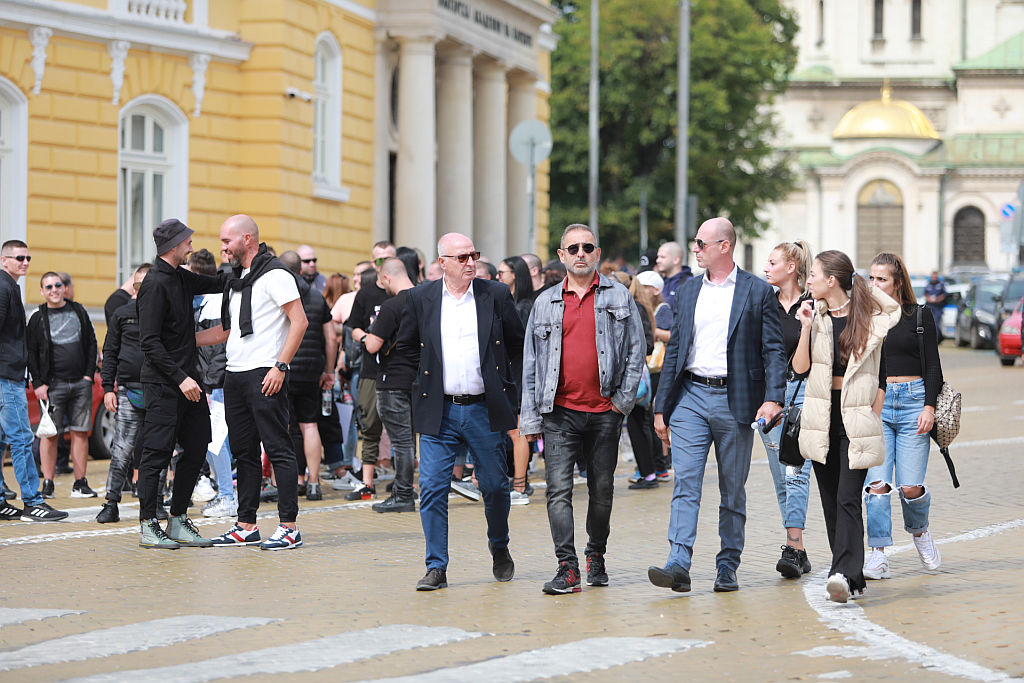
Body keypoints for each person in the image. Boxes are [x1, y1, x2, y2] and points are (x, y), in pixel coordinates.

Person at [647, 217, 786, 594]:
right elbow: (676, 350)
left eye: (701, 243)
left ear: (724, 246)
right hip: (690, 396)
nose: (695, 249)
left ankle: (728, 565)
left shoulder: (757, 292)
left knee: (732, 488)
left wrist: (773, 399)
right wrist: (662, 407)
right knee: (686, 481)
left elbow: (774, 350)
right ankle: (678, 562)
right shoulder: (690, 291)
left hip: (736, 401)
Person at [396, 232, 525, 591]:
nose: (471, 262)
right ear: (443, 263)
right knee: (433, 487)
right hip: (439, 410)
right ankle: (436, 566)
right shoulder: (421, 297)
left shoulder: (494, 294)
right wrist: (417, 389)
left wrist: (511, 393)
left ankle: (499, 545)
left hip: (483, 409)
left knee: (496, 487)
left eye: (474, 255)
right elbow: (405, 347)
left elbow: (517, 345)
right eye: (463, 257)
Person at [521, 224, 645, 594]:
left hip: (605, 411)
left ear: (597, 254)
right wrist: (529, 417)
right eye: (572, 248)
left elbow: (636, 352)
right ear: (561, 255)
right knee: (557, 491)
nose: (580, 253)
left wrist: (621, 403)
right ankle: (567, 567)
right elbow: (530, 363)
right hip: (558, 411)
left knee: (602, 489)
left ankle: (596, 554)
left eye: (587, 247)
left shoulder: (619, 296)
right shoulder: (545, 302)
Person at [793, 250, 900, 603]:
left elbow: (894, 309)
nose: (808, 281)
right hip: (822, 418)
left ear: (831, 280)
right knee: (829, 501)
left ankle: (840, 572)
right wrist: (806, 326)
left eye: (814, 275)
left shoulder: (866, 316)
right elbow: (799, 368)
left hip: (855, 418)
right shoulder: (815, 316)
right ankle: (851, 576)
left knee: (847, 498)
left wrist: (863, 285)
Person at [206, 215, 308, 549]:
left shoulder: (276, 274)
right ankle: (245, 524)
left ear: (247, 239)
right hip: (234, 375)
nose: (222, 248)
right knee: (244, 452)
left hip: (266, 371)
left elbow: (300, 321)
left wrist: (281, 366)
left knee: (278, 448)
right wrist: (182, 340)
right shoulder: (236, 280)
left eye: (226, 241)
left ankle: (289, 527)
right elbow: (226, 330)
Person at [135, 219, 225, 549]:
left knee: (198, 445)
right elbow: (150, 343)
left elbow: (217, 283)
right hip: (165, 383)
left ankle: (177, 519)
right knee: (155, 455)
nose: (192, 245)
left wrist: (251, 267)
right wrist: (181, 378)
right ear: (173, 245)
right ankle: (148, 524)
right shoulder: (155, 283)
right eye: (187, 240)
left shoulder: (180, 277)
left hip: (189, 381)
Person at [863, 252, 943, 579]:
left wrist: (929, 407)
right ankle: (878, 553)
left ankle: (920, 532)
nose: (874, 285)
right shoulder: (866, 318)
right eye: (871, 278)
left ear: (897, 283)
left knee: (910, 487)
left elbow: (934, 367)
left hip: (914, 404)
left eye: (881, 279)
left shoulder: (919, 316)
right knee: (878, 485)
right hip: (877, 406)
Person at [0, 240, 68, 521]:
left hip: (9, 374)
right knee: (21, 437)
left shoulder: (10, 287)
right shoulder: (4, 288)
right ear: (5, 260)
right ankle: (32, 501)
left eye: (28, 257)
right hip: (6, 376)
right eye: (19, 258)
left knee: (4, 438)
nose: (25, 262)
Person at [760, 241, 815, 578]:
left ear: (792, 267)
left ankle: (791, 546)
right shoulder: (764, 304)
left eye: (772, 262)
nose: (766, 268)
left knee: (796, 472)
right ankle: (799, 550)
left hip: (803, 391)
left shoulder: (812, 305)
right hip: (770, 396)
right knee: (781, 478)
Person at [27, 271, 99, 499]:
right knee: (49, 434)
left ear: (64, 288)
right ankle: (48, 483)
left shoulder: (78, 310)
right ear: (42, 292)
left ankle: (80, 483)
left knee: (80, 433)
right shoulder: (38, 316)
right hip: (52, 387)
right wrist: (38, 383)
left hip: (80, 384)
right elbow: (31, 353)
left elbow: (91, 343)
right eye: (48, 287)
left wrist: (89, 376)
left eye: (57, 285)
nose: (54, 290)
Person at [97, 263, 151, 523]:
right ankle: (111, 503)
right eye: (139, 285)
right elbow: (110, 352)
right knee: (120, 450)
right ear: (133, 287)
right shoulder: (121, 314)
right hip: (128, 390)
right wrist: (108, 388)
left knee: (156, 451)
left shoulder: (166, 315)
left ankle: (155, 502)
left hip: (158, 392)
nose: (144, 290)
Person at [279, 250, 336, 501]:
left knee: (286, 426)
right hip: (312, 370)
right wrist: (329, 370)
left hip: (284, 367)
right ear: (301, 270)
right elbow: (331, 338)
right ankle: (314, 482)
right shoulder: (316, 296)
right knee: (310, 424)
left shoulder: (278, 295)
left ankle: (291, 481)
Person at [364, 257, 418, 513]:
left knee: (401, 442)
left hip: (392, 380)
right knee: (413, 440)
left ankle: (403, 494)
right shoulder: (426, 300)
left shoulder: (391, 305)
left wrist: (365, 336)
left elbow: (373, 345)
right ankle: (409, 491)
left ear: (386, 277)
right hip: (420, 379)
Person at [347, 242, 398, 499]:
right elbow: (352, 325)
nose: (383, 264)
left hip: (398, 371)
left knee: (402, 429)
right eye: (378, 260)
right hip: (370, 369)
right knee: (369, 427)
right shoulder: (366, 294)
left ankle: (403, 483)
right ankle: (367, 484)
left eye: (388, 259)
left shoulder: (402, 293)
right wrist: (366, 338)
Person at [191, 249, 238, 519]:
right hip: (211, 383)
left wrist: (209, 386)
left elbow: (219, 350)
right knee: (215, 441)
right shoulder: (207, 301)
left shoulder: (215, 302)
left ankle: (227, 496)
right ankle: (226, 493)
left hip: (215, 385)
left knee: (216, 441)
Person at [497, 255, 535, 504]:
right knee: (509, 429)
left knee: (517, 431)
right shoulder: (510, 301)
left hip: (519, 371)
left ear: (515, 275)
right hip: (508, 370)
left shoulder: (523, 305)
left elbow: (517, 341)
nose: (498, 276)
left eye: (502, 272)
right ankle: (514, 482)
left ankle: (520, 485)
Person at [625, 271, 659, 489]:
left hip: (635, 375)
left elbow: (647, 344)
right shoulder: (640, 307)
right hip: (639, 373)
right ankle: (650, 471)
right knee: (642, 423)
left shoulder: (635, 308)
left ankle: (648, 473)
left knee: (638, 424)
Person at [655, 241, 693, 312]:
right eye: (658, 257)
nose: (657, 260)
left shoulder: (689, 284)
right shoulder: (659, 283)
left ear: (676, 260)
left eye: (662, 257)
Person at [923, 271, 947, 340]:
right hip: (929, 306)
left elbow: (944, 295)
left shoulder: (941, 284)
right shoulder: (928, 284)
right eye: (932, 277)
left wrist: (937, 299)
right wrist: (929, 299)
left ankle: (936, 338)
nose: (934, 278)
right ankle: (931, 338)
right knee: (928, 323)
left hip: (938, 307)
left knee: (936, 323)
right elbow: (925, 294)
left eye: (935, 277)